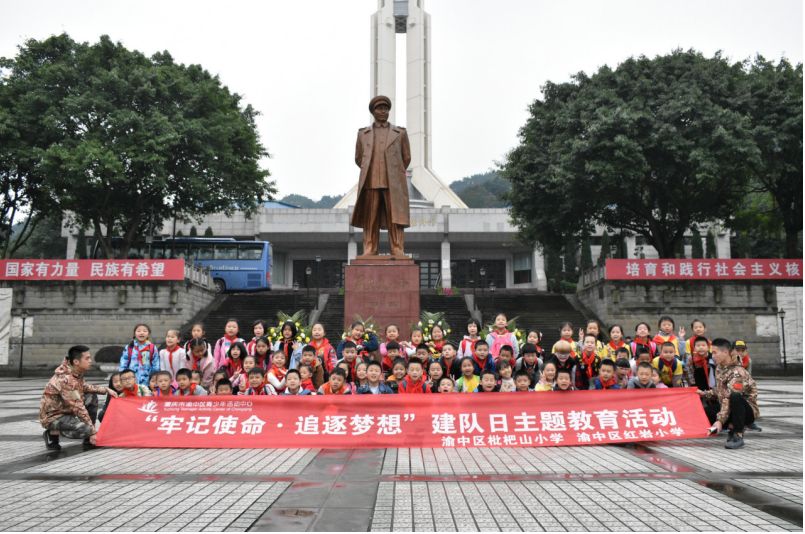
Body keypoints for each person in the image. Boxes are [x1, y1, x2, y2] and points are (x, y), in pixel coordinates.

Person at [352, 95, 411, 257]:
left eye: (386, 108)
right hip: (371, 181)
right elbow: (359, 158)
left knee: (395, 217)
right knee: (370, 218)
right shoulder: (363, 134)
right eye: (379, 108)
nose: (383, 111)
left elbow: (406, 157)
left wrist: (394, 171)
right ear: (373, 111)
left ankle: (397, 247)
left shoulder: (400, 133)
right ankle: (370, 248)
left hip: (393, 183)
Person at [40, 345, 117, 450]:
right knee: (85, 429)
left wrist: (105, 390)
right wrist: (92, 432)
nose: (90, 361)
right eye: (87, 358)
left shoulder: (74, 372)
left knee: (91, 395)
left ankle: (89, 438)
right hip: (53, 417)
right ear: (76, 362)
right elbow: (78, 406)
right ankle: (52, 433)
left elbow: (83, 387)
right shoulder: (66, 379)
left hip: (65, 411)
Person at [699, 338, 760, 449]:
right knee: (704, 412)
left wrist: (720, 421)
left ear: (725, 352)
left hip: (746, 412)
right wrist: (704, 393)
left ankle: (737, 433)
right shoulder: (720, 367)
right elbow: (720, 390)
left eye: (714, 352)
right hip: (728, 407)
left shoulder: (737, 372)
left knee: (735, 396)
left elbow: (729, 396)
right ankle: (728, 425)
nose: (712, 356)